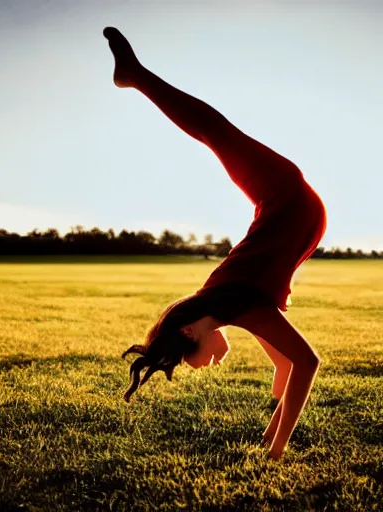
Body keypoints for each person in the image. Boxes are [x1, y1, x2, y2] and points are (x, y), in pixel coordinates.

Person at [104, 27, 328, 461]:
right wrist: (270, 429)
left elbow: (307, 363)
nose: (211, 364)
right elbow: (285, 364)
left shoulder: (238, 303)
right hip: (288, 202)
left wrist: (276, 449)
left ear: (191, 331)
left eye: (197, 360)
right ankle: (135, 75)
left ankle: (135, 75)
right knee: (215, 133)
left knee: (215, 131)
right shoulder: (229, 303)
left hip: (283, 196)